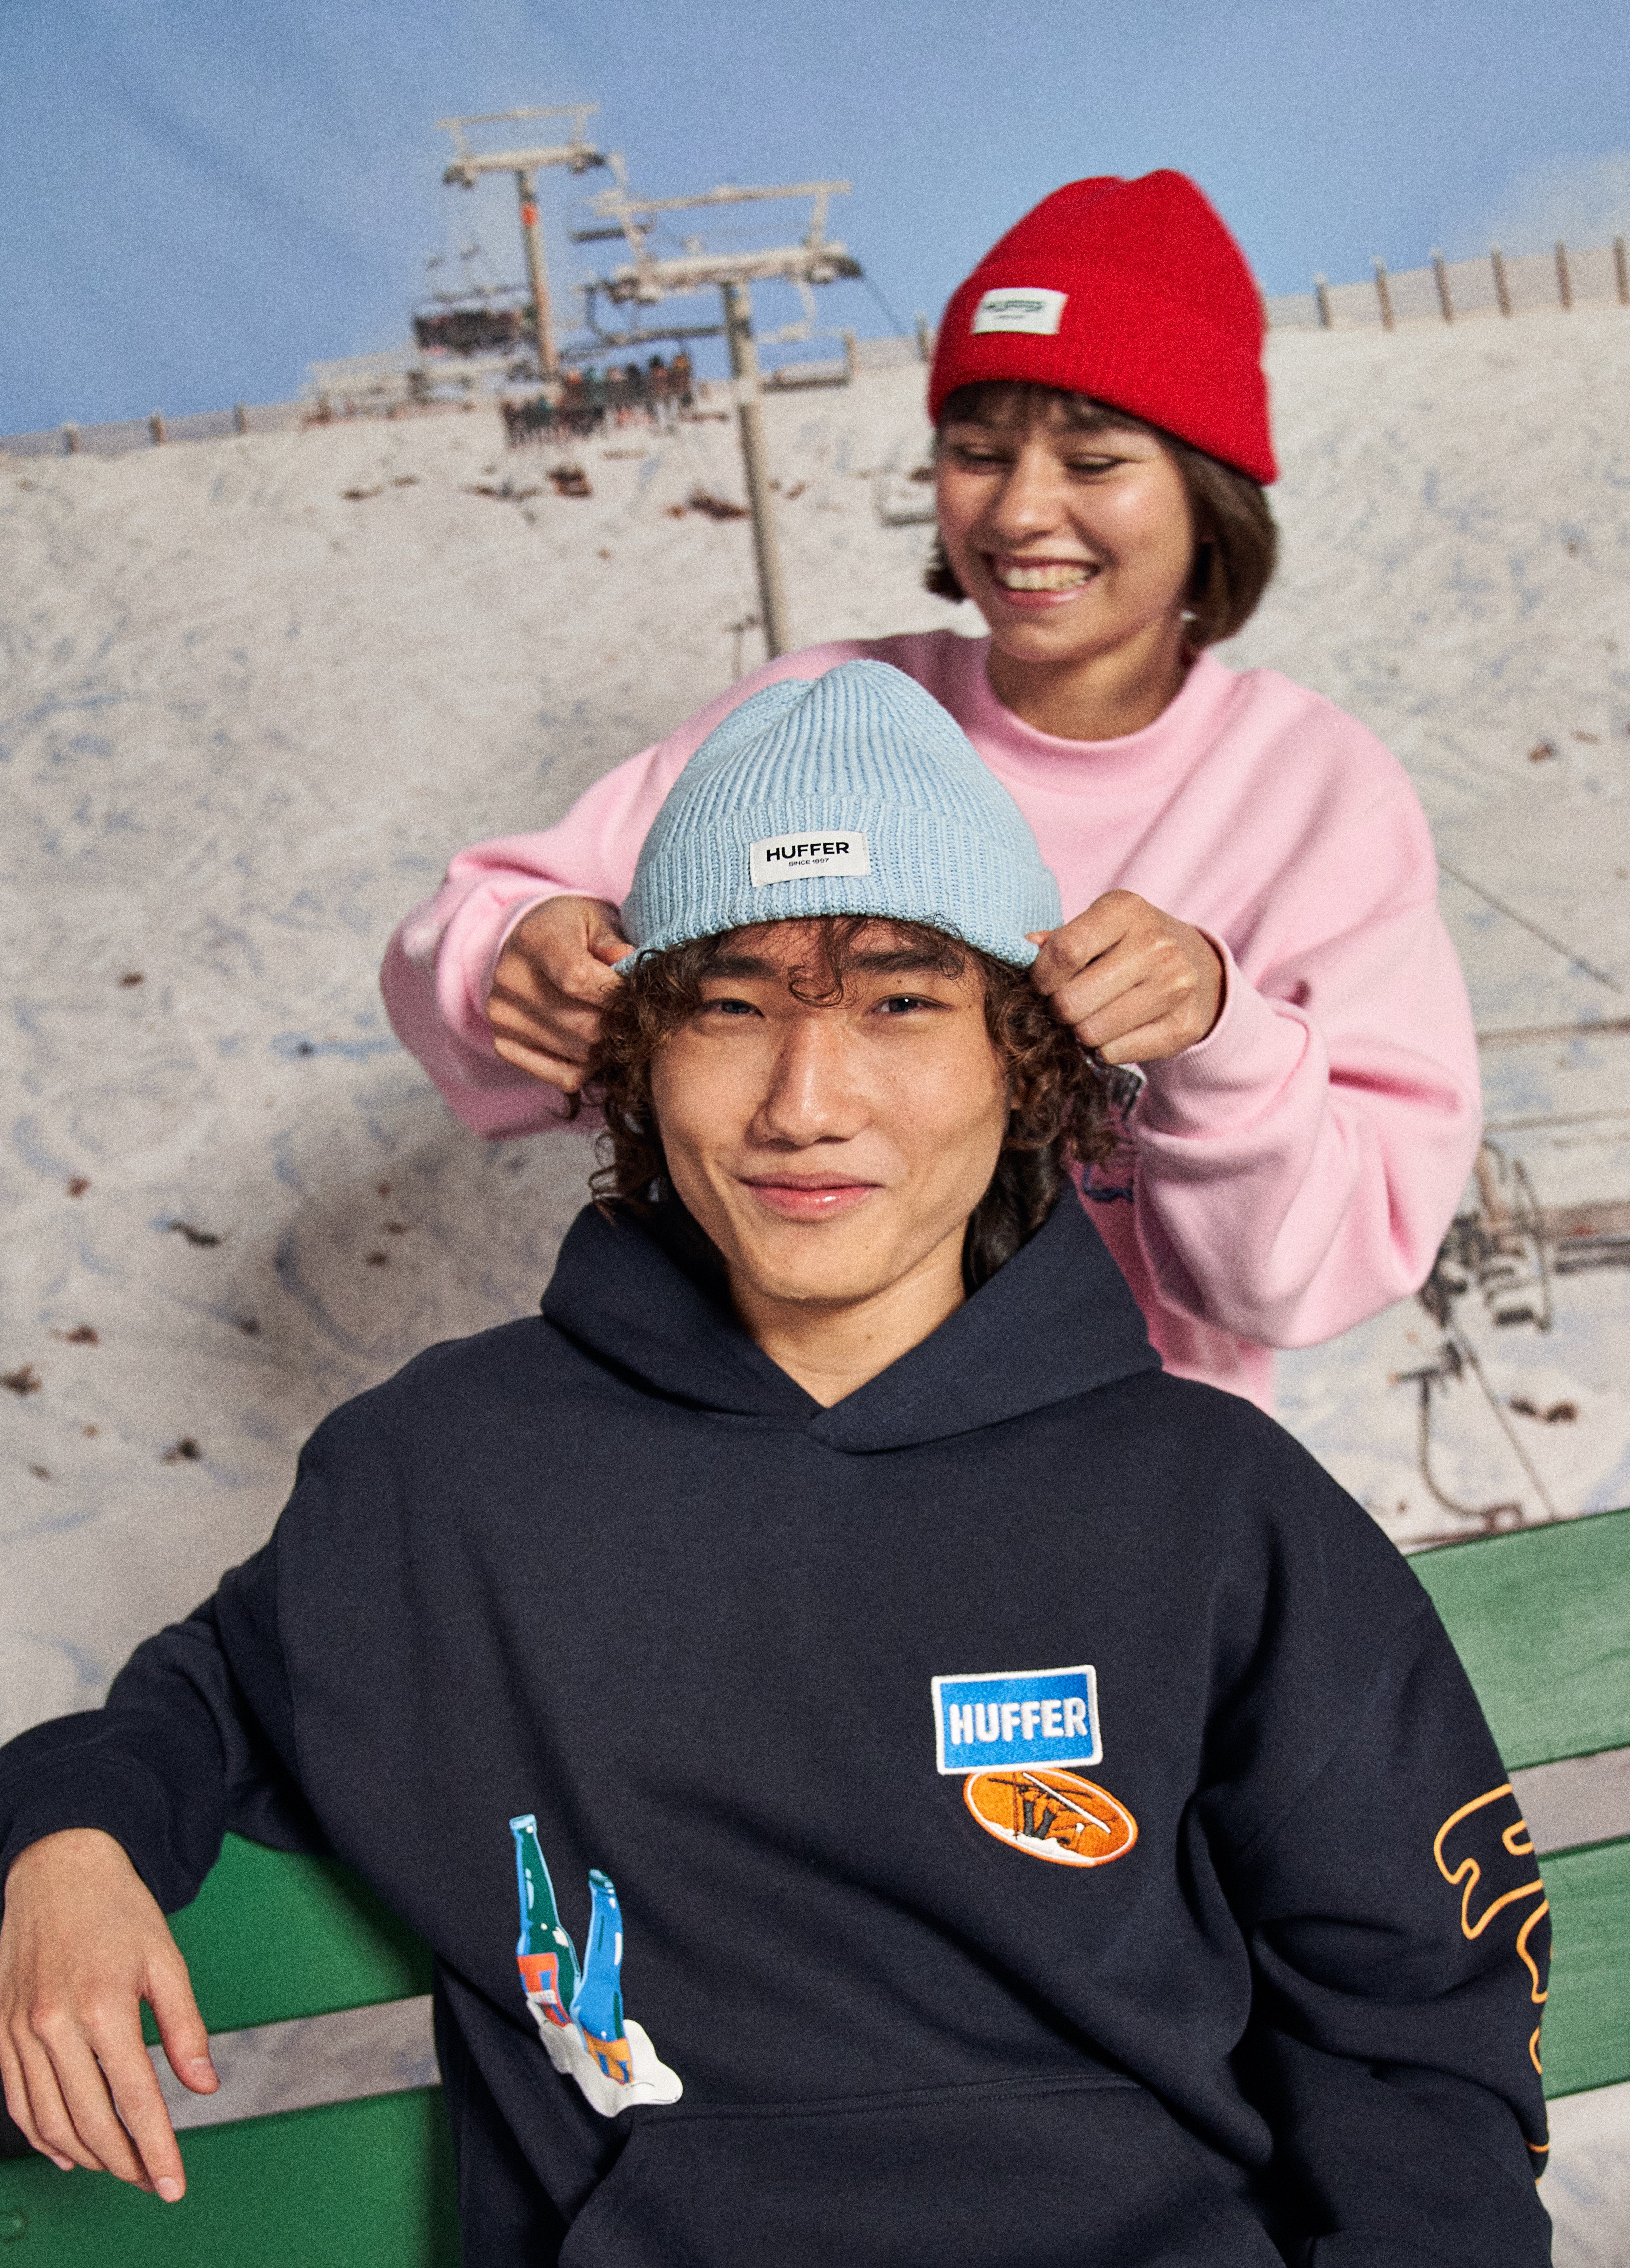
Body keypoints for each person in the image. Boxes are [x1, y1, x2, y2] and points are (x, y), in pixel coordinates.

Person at [0, 668, 1630, 2268]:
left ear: (1025, 1057)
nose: (808, 1096)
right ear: (636, 1057)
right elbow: (204, 1697)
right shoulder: (450, 1487)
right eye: (729, 1006)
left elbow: (1421, 2050)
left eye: (900, 1002)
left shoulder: (1213, 1511)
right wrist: (71, 1832)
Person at [382, 168, 1481, 1415]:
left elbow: (1317, 1269)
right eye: (976, 453)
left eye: (1092, 460)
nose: (1020, 510)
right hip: (760, 1440)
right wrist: (507, 960)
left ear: (1208, 490)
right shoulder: (813, 719)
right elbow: (460, 947)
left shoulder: (1314, 792)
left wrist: (1220, 1034)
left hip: (1109, 1468)